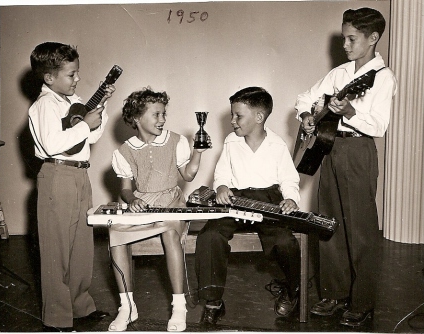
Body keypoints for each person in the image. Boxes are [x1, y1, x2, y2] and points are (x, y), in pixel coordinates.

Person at [295, 8, 397, 327]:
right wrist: (307, 116)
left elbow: (379, 126)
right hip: (330, 146)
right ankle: (334, 293)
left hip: (359, 150)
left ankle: (362, 300)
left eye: (352, 39)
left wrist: (351, 110)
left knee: (360, 228)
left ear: (373, 38)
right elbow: (305, 98)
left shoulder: (383, 78)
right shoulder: (339, 74)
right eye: (343, 38)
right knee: (329, 221)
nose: (345, 45)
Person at [195, 86, 302, 324]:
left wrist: (291, 198)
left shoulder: (277, 145)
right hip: (236, 199)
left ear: (259, 117)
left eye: (238, 116)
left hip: (268, 199)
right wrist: (222, 186)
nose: (232, 120)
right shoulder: (231, 141)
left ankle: (292, 289)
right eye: (232, 115)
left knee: (284, 241)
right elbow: (222, 174)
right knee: (210, 236)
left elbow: (289, 179)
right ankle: (213, 301)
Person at [28, 42, 116, 331]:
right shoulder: (44, 105)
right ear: (49, 78)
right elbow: (53, 144)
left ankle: (80, 307)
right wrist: (84, 125)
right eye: (71, 74)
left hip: (80, 175)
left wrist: (101, 109)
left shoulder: (71, 102)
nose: (77, 79)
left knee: (81, 246)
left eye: (77, 73)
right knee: (57, 249)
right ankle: (57, 317)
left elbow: (88, 138)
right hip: (57, 175)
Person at [108, 87, 210, 332]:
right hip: (143, 204)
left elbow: (187, 174)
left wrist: (197, 152)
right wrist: (132, 199)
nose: (162, 119)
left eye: (164, 114)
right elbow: (125, 188)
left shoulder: (175, 141)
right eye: (156, 114)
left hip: (172, 202)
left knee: (169, 233)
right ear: (136, 118)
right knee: (116, 235)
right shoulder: (124, 150)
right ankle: (127, 305)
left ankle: (178, 305)